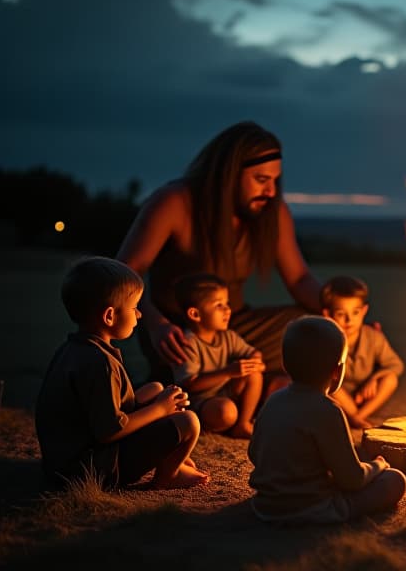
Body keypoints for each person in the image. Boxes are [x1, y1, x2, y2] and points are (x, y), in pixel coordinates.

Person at [116, 120, 322, 396]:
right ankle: (189, 388)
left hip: (236, 330)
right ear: (230, 174)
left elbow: (299, 279)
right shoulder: (175, 203)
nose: (271, 192)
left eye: (275, 181)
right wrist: (156, 324)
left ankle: (264, 387)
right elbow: (124, 273)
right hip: (179, 335)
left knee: (317, 329)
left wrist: (342, 312)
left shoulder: (273, 213)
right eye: (261, 180)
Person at [35, 256, 209, 490]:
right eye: (134, 307)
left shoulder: (75, 349)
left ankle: (170, 453)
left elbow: (99, 409)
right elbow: (110, 430)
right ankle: (169, 473)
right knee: (188, 421)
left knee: (155, 389)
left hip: (69, 460)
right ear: (109, 316)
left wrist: (158, 406)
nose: (139, 315)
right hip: (92, 470)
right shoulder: (99, 363)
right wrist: (160, 410)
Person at [247, 315, 406, 524]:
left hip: (266, 505)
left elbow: (253, 453)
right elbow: (353, 480)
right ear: (337, 371)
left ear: (285, 365)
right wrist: (377, 465)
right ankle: (342, 510)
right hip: (312, 509)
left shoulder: (273, 400)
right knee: (395, 480)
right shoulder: (328, 411)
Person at [170, 272, 265, 439]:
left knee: (254, 375)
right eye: (219, 305)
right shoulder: (188, 343)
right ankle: (213, 423)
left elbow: (253, 352)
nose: (228, 309)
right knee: (226, 412)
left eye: (227, 303)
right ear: (195, 314)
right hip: (201, 401)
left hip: (225, 393)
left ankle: (243, 423)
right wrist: (228, 372)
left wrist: (255, 362)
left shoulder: (228, 336)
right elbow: (190, 385)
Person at [320, 275, 403, 429]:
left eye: (355, 312)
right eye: (340, 314)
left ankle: (358, 417)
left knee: (390, 379)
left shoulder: (373, 337)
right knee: (325, 380)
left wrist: (375, 379)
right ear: (327, 314)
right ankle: (353, 417)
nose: (349, 320)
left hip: (364, 399)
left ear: (364, 310)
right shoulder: (327, 340)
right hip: (338, 399)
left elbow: (396, 365)